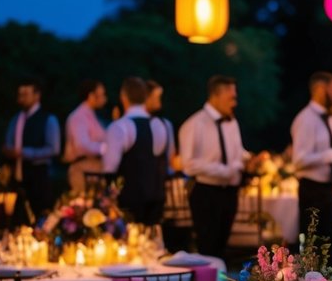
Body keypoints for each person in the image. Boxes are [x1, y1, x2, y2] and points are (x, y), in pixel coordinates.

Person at [179, 75, 251, 261]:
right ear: (215, 96)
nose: (235, 102)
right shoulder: (194, 124)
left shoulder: (232, 122)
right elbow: (188, 164)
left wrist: (249, 159)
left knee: (221, 249)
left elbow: (238, 151)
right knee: (207, 248)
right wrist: (225, 170)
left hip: (229, 193)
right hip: (206, 193)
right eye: (231, 98)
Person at [291, 71, 332, 253]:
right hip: (311, 190)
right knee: (312, 243)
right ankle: (309, 280)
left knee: (329, 241)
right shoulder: (306, 119)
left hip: (328, 188)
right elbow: (298, 160)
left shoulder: (330, 119)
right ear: (321, 90)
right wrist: (326, 157)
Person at [102, 76, 168, 225]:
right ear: (146, 97)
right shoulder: (160, 125)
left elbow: (110, 167)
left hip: (129, 200)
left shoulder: (120, 126)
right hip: (157, 196)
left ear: (123, 97)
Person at [2, 79, 61, 218]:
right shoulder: (16, 119)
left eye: (25, 94)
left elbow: (54, 149)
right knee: (16, 219)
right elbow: (8, 142)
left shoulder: (48, 119)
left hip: (39, 178)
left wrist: (25, 152)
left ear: (37, 95)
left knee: (41, 217)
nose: (21, 98)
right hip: (17, 178)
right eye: (20, 94)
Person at [63, 79, 108, 193]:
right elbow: (82, 145)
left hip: (95, 171)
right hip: (83, 171)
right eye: (102, 95)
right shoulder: (78, 117)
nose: (105, 99)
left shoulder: (94, 116)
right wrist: (105, 149)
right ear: (91, 96)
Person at [146, 80, 178, 171]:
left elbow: (171, 155)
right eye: (157, 97)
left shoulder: (166, 124)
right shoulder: (134, 123)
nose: (159, 101)